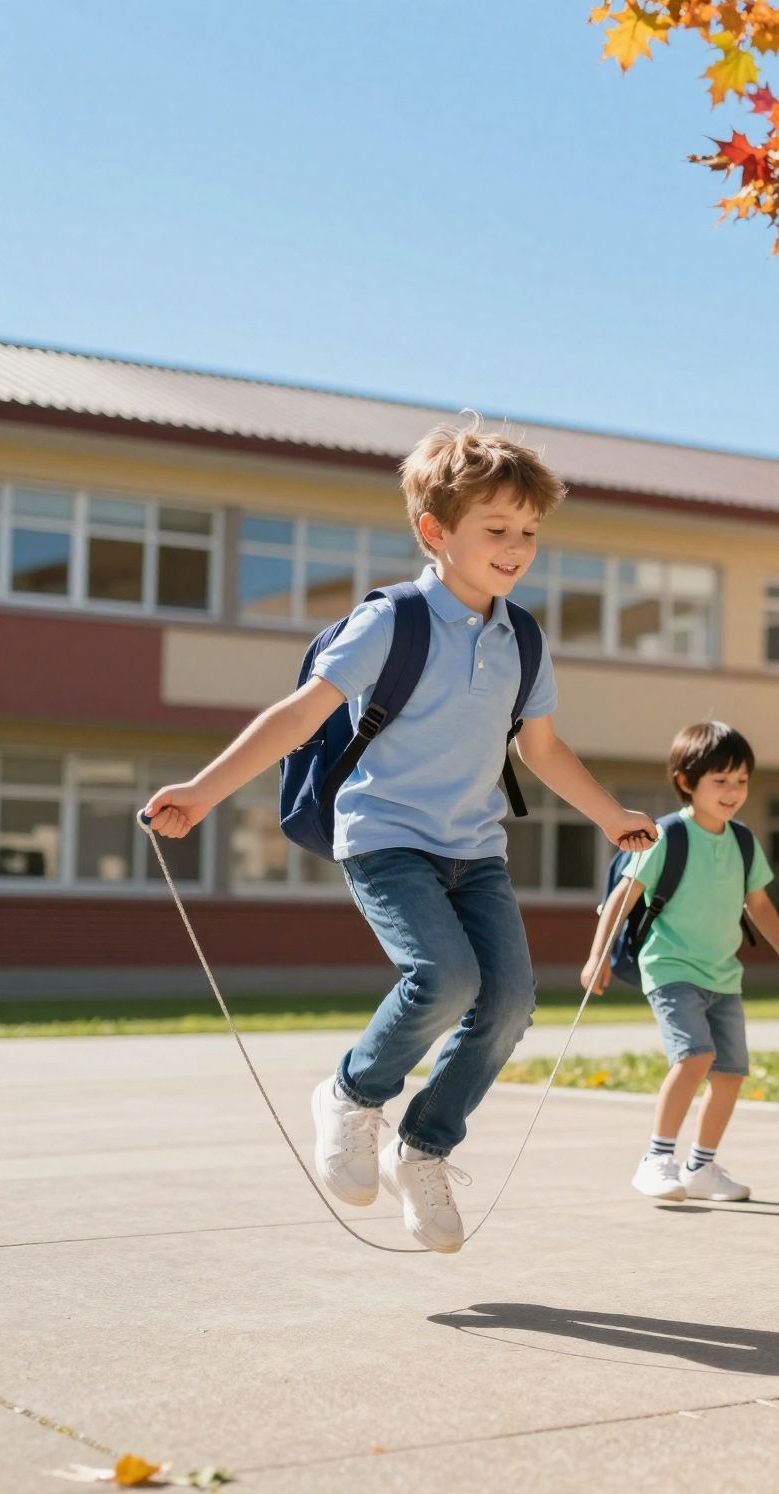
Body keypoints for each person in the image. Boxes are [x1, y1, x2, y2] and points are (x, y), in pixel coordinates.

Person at [142, 421, 657, 1251]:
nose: (517, 547)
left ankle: (423, 1147)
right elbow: (299, 714)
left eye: (528, 532)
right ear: (435, 532)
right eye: (495, 529)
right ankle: (350, 1096)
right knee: (445, 978)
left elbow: (542, 747)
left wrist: (611, 816)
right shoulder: (392, 622)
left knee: (511, 1001)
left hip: (475, 850)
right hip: (384, 838)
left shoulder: (522, 637)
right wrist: (204, 792)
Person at [582, 720, 779, 1204]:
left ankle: (701, 1167)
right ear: (687, 782)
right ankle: (657, 1160)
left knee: (729, 1075)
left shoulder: (743, 841)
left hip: (724, 974)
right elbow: (623, 897)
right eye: (720, 781)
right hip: (671, 968)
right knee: (694, 1056)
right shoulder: (665, 837)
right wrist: (597, 954)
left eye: (741, 780)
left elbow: (760, 905)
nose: (733, 791)